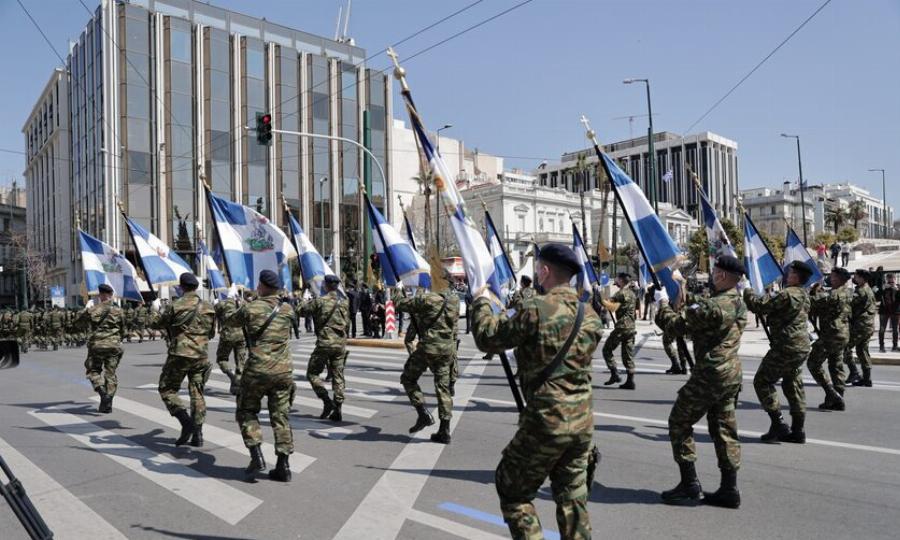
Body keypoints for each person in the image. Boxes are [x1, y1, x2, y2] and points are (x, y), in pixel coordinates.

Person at [471, 243, 604, 539]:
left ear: (544, 271)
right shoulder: (590, 314)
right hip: (581, 423)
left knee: (513, 491)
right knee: (572, 498)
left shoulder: (535, 309)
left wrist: (481, 302)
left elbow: (488, 338)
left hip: (546, 420)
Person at [655, 255, 747, 509]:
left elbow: (674, 326)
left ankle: (689, 484)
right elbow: (700, 309)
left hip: (710, 374)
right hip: (730, 373)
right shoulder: (737, 302)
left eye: (715, 271)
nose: (712, 275)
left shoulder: (713, 307)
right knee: (724, 429)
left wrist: (662, 303)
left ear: (722, 275)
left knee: (679, 421)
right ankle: (729, 489)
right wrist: (681, 287)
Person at [221, 270, 298, 482]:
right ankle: (283, 466)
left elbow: (229, 321)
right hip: (283, 372)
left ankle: (256, 455)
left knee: (246, 410)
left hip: (257, 371)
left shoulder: (251, 308)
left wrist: (232, 302)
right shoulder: (287, 309)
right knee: (281, 416)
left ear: (262, 286)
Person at [743, 261, 813, 443]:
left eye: (791, 273)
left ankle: (778, 423)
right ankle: (798, 430)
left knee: (762, 381)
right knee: (793, 383)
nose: (787, 275)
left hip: (786, 346)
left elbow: (759, 306)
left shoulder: (787, 294)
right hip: (801, 345)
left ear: (796, 277)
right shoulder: (804, 294)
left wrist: (747, 289)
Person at [149, 273, 216, 447]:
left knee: (167, 389)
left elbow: (156, 324)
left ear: (181, 287)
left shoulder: (175, 305)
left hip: (180, 354)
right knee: (197, 393)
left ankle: (186, 423)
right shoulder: (208, 306)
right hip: (201, 355)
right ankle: (198, 435)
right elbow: (212, 333)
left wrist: (154, 310)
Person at [395, 277, 460, 444]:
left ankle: (422, 413)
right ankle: (444, 430)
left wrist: (398, 289)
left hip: (429, 348)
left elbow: (399, 304)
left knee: (408, 378)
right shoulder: (454, 300)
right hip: (446, 350)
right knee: (443, 388)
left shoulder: (428, 298)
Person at [297, 274, 350, 421]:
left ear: (326, 286)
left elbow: (300, 311)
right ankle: (338, 407)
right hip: (340, 343)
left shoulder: (320, 301)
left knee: (312, 374)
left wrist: (305, 298)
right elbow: (347, 322)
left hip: (325, 343)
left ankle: (327, 401)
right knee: (338, 375)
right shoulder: (344, 302)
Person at [74, 284, 126, 413]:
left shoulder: (93, 310)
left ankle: (103, 394)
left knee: (93, 371)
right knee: (110, 374)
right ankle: (108, 403)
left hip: (97, 346)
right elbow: (124, 330)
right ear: (111, 295)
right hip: (114, 345)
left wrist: (85, 311)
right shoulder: (119, 311)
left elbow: (78, 324)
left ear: (100, 295)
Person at [807, 267, 852, 411]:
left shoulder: (834, 294)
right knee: (836, 366)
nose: (830, 279)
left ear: (839, 279)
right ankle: (838, 398)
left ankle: (832, 394)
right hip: (842, 334)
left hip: (831, 335)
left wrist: (808, 291)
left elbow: (812, 302)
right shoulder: (848, 292)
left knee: (813, 363)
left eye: (832, 276)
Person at [601, 272, 637, 389]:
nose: (615, 281)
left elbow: (608, 304)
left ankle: (614, 374)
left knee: (607, 349)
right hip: (631, 327)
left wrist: (600, 298)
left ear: (621, 280)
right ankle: (630, 381)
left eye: (616, 279)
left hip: (622, 327)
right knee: (628, 354)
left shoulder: (620, 293)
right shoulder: (632, 294)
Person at [847, 269, 877, 387]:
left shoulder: (860, 291)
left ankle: (854, 372)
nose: (854, 278)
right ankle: (867, 379)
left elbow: (849, 304)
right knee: (862, 351)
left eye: (856, 277)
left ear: (862, 279)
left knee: (845, 348)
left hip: (860, 325)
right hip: (868, 325)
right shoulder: (868, 289)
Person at [215, 291, 247, 396]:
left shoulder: (221, 304)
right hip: (241, 335)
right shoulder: (242, 303)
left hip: (227, 335)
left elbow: (214, 317)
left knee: (221, 359)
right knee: (240, 361)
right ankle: (237, 385)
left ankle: (232, 376)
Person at [878, 273, 899, 352]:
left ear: (895, 280)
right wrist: (883, 289)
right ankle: (881, 346)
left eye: (892, 281)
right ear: (886, 280)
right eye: (889, 281)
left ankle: (895, 346)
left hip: (895, 311)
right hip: (884, 311)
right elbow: (876, 296)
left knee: (895, 329)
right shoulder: (883, 288)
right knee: (882, 329)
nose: (890, 283)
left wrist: (897, 290)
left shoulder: (898, 288)